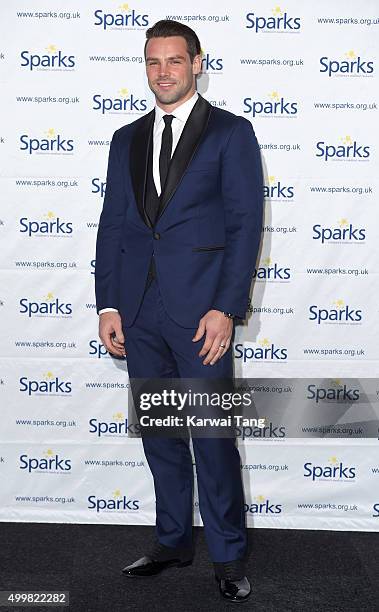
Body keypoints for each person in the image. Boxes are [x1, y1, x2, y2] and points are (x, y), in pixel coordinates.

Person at [95, 19, 263, 603]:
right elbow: (113, 224)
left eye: (173, 61)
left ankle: (228, 554)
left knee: (212, 438)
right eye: (152, 62)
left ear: (197, 63)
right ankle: (172, 539)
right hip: (138, 312)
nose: (162, 72)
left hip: (201, 316)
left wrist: (225, 308)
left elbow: (246, 228)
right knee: (161, 435)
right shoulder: (127, 137)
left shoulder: (231, 134)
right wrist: (110, 303)